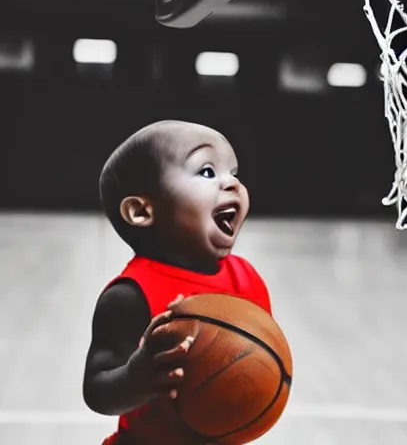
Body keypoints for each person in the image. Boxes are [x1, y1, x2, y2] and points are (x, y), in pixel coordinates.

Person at [82, 120, 272, 444]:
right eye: (208, 172)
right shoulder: (129, 296)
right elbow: (97, 390)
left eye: (234, 173)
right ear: (142, 211)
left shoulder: (247, 280)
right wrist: (134, 377)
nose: (232, 184)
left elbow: (263, 364)